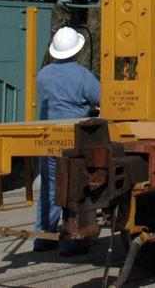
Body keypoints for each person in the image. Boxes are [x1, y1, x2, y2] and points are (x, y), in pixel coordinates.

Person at [34, 26, 101, 253]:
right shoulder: (83, 76)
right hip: (74, 141)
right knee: (75, 189)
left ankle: (43, 236)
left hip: (47, 139)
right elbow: (103, 99)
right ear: (77, 50)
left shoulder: (43, 74)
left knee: (50, 188)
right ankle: (72, 241)